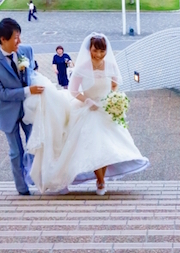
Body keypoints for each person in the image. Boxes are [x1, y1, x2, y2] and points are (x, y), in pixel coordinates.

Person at [24, 33, 149, 195]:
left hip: (105, 109)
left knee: (107, 147)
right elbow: (73, 90)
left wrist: (113, 100)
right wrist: (87, 101)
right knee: (95, 145)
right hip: (87, 109)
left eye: (102, 51)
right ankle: (101, 181)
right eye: (95, 51)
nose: (98, 55)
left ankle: (101, 180)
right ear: (89, 49)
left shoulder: (110, 66)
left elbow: (114, 85)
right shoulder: (82, 68)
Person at [0, 18, 44, 195]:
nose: (20, 41)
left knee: (35, 145)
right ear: (3, 39)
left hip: (29, 109)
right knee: (16, 152)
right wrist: (27, 90)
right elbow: (0, 94)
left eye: (20, 36)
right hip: (8, 113)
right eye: (16, 38)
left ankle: (35, 178)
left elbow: (32, 74)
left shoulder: (27, 51)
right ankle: (22, 188)